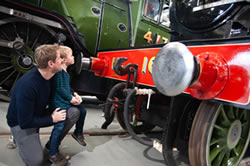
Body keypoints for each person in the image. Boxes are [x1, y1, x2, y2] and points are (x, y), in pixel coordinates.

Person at [6, 44, 80, 166]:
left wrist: (74, 94)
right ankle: (16, 137)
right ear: (51, 64)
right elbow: (25, 122)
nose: (63, 60)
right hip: (21, 123)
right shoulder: (28, 86)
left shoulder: (51, 75)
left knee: (73, 113)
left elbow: (62, 86)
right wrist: (51, 118)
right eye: (60, 58)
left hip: (38, 113)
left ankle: (52, 146)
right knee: (36, 161)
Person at [46, 45, 87, 162]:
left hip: (65, 101)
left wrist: (75, 95)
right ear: (63, 59)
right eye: (71, 55)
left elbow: (66, 88)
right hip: (59, 104)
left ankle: (78, 133)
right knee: (59, 128)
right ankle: (53, 153)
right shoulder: (59, 73)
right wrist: (70, 99)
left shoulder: (65, 73)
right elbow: (60, 89)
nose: (74, 57)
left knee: (83, 111)